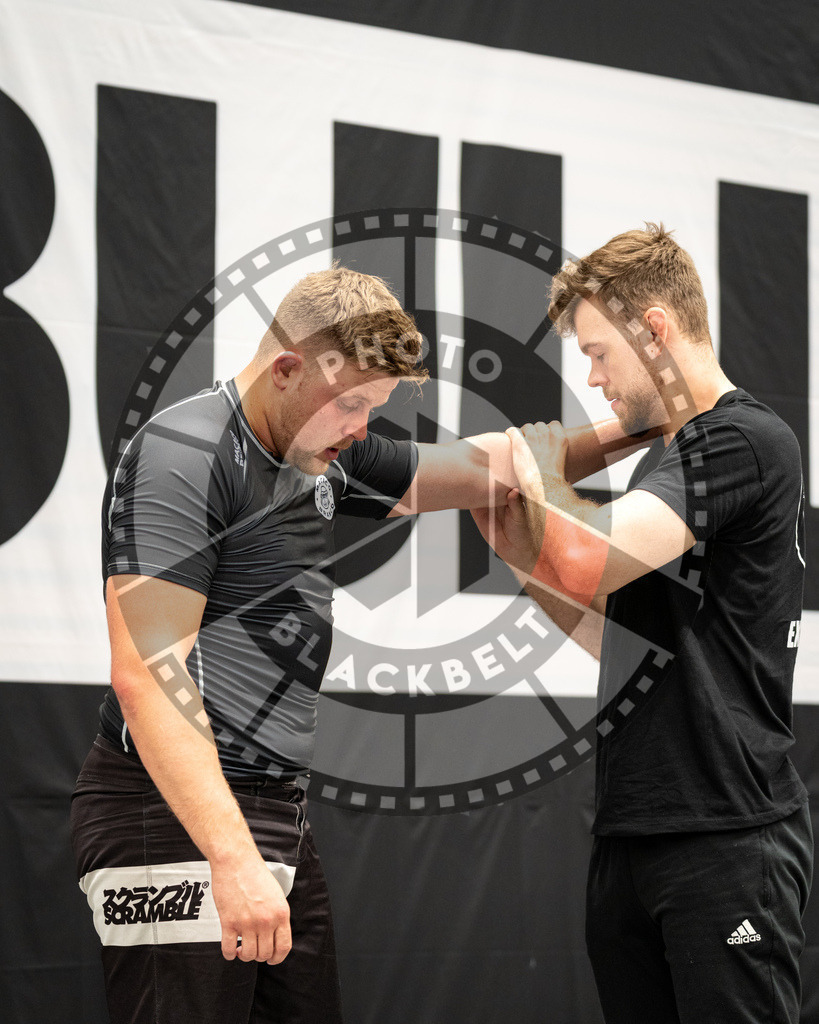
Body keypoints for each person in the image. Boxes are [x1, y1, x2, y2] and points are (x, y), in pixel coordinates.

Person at [70, 265, 645, 1024]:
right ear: (285, 368)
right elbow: (148, 672)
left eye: (371, 409)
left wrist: (646, 426)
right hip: (169, 814)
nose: (359, 428)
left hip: (271, 809)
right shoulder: (186, 451)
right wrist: (232, 859)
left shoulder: (321, 451)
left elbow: (490, 470)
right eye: (349, 405)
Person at [473, 223, 813, 1023]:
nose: (591, 379)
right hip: (635, 829)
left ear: (654, 329)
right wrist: (517, 551)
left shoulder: (742, 439)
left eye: (597, 352)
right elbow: (619, 645)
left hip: (725, 834)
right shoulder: (667, 457)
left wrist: (537, 469)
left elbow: (591, 558)